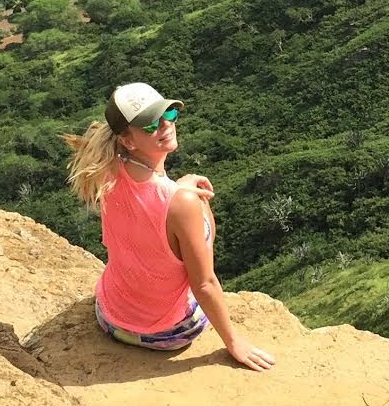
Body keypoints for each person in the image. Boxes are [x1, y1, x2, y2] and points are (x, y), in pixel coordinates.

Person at [63, 82, 275, 372]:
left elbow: (148, 209)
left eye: (169, 115)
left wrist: (176, 188)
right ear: (127, 140)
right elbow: (204, 282)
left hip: (109, 314)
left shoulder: (108, 170)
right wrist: (233, 341)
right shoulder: (181, 203)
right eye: (150, 125)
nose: (166, 125)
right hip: (164, 333)